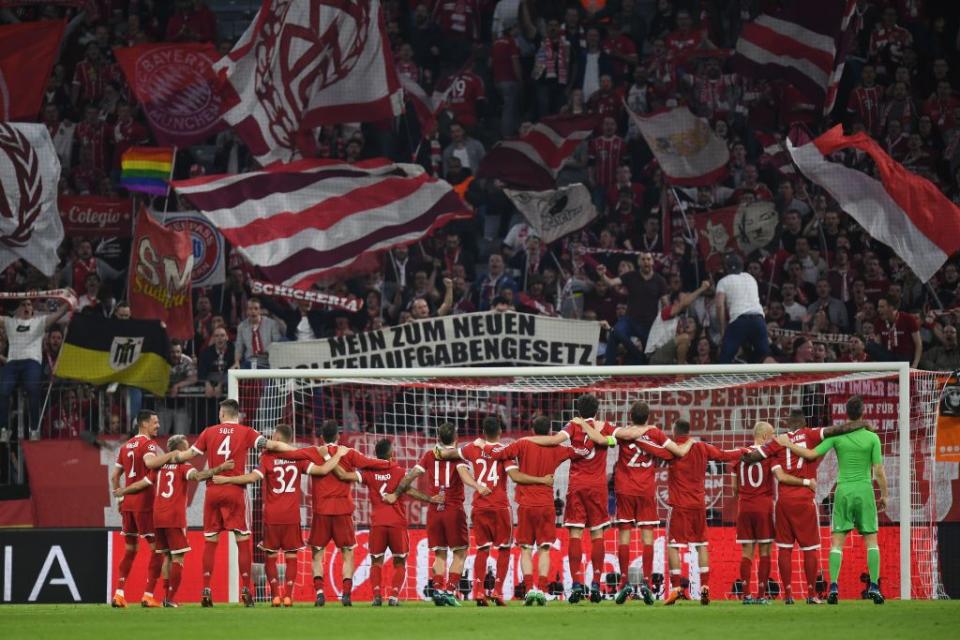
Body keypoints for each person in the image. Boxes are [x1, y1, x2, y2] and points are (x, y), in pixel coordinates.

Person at [741, 409, 867, 603]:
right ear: (804, 423)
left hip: (783, 502)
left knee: (784, 549)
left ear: (789, 424)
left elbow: (752, 457)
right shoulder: (810, 434)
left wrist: (742, 456)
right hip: (804, 501)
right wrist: (862, 425)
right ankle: (810, 594)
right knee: (809, 549)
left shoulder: (778, 441)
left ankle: (789, 595)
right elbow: (837, 430)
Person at [212, 423, 344, 607]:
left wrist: (228, 479)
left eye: (273, 436)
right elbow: (323, 470)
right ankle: (288, 596)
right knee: (291, 556)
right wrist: (337, 455)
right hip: (292, 516)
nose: (271, 439)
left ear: (279, 438)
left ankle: (275, 595)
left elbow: (252, 478)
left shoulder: (267, 458)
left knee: (270, 557)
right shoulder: (298, 458)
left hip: (272, 516)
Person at [170, 399, 284, 606]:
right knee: (242, 541)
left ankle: (206, 589)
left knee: (210, 542)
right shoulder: (246, 432)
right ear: (237, 414)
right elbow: (272, 445)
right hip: (235, 491)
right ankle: (245, 590)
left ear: (222, 414)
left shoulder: (208, 432)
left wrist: (169, 459)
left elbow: (187, 455)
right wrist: (294, 450)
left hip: (213, 490)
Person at [775, 396, 888, 605]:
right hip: (864, 491)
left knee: (837, 542)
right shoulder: (873, 438)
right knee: (871, 541)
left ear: (847, 414)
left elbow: (809, 455)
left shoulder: (839, 437)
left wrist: (788, 443)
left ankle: (834, 587)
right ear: (862, 412)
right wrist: (885, 495)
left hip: (843, 490)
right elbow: (879, 471)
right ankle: (874, 586)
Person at [436, 417, 553, 605]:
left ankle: (480, 592)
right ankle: (498, 591)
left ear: (483, 432)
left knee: (482, 550)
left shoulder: (472, 448)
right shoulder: (504, 451)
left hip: (480, 505)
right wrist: (541, 480)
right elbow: (515, 476)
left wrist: (439, 451)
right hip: (500, 506)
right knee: (504, 549)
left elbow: (445, 454)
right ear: (500, 432)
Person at [280, 420, 392, 606]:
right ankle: (346, 595)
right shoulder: (348, 453)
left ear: (322, 437)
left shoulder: (314, 451)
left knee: (317, 554)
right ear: (338, 436)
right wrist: (390, 465)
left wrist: (267, 447)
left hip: (321, 512)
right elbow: (371, 463)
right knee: (347, 553)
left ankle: (320, 594)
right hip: (343, 512)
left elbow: (290, 453)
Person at [114, 435, 232, 608]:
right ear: (181, 449)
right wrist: (220, 468)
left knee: (166, 556)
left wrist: (123, 491)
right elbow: (198, 476)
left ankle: (163, 596)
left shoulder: (158, 468)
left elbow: (141, 484)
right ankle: (169, 599)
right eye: (187, 448)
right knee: (178, 558)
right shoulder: (184, 466)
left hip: (158, 517)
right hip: (175, 517)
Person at [478, 416, 579, 606]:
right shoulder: (557, 448)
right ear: (549, 431)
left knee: (525, 549)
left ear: (532, 430)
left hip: (525, 505)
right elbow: (580, 452)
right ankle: (541, 589)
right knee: (544, 549)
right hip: (546, 505)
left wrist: (482, 445)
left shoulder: (522, 444)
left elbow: (498, 454)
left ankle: (530, 589)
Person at [386, 422, 489, 606]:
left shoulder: (428, 455)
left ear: (438, 439)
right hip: (453, 510)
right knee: (460, 553)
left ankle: (438, 590)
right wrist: (477, 485)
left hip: (434, 511)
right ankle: (449, 591)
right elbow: (464, 475)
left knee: (439, 554)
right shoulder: (459, 457)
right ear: (456, 440)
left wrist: (396, 494)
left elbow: (408, 477)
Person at [602, 402, 692, 605]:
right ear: (648, 417)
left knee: (624, 535)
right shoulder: (656, 433)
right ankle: (647, 583)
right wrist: (688, 444)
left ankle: (624, 582)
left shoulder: (623, 433)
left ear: (631, 415)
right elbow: (674, 452)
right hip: (645, 490)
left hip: (624, 488)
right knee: (647, 537)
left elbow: (604, 434)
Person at [333, 438, 440, 606]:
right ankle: (394, 597)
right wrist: (430, 499)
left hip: (378, 524)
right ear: (392, 454)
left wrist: (329, 460)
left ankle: (376, 596)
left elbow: (343, 475)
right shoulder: (399, 471)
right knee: (400, 561)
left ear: (376, 455)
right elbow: (410, 491)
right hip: (397, 523)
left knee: (376, 561)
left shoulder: (368, 472)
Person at [662, 420, 746, 606]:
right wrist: (743, 451)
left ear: (675, 432)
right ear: (689, 431)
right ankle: (705, 587)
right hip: (699, 505)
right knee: (702, 544)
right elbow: (724, 455)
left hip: (679, 505)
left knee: (674, 546)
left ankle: (676, 588)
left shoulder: (672, 448)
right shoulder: (702, 447)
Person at [109, 410, 182, 608]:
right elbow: (150, 462)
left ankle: (119, 594)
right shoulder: (148, 444)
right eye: (154, 422)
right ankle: (148, 595)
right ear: (143, 424)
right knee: (158, 550)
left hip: (128, 505)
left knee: (131, 549)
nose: (158, 425)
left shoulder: (125, 447)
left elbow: (115, 475)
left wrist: (120, 497)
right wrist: (170, 455)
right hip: (145, 504)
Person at [731, 421, 804, 604]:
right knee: (765, 552)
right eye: (772, 436)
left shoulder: (738, 455)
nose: (774, 440)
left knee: (746, 554)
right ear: (764, 437)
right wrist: (804, 482)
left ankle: (746, 596)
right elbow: (780, 477)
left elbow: (734, 489)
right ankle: (761, 596)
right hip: (764, 508)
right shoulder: (769, 456)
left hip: (744, 508)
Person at [1, 298, 71, 436]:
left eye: (29, 304)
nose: (26, 307)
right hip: (13, 362)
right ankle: (3, 428)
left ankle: (34, 429)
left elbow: (59, 313)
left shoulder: (39, 322)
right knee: (3, 391)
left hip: (31, 362)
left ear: (33, 309)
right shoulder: (9, 322)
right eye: (23, 304)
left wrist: (69, 299)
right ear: (17, 309)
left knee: (33, 389)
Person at [597, 252, 668, 364]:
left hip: (649, 324)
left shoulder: (660, 281)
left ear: (652, 262)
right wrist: (602, 275)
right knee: (615, 333)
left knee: (647, 356)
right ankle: (608, 369)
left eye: (648, 259)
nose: (646, 262)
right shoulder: (630, 276)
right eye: (643, 259)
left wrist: (665, 324)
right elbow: (611, 283)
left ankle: (640, 361)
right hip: (630, 320)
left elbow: (666, 304)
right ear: (639, 262)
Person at [715, 253, 771, 363]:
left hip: (739, 321)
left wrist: (722, 331)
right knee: (764, 355)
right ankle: (764, 378)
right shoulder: (750, 278)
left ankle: (723, 379)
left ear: (726, 267)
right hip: (758, 320)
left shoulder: (723, 281)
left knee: (725, 357)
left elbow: (719, 305)